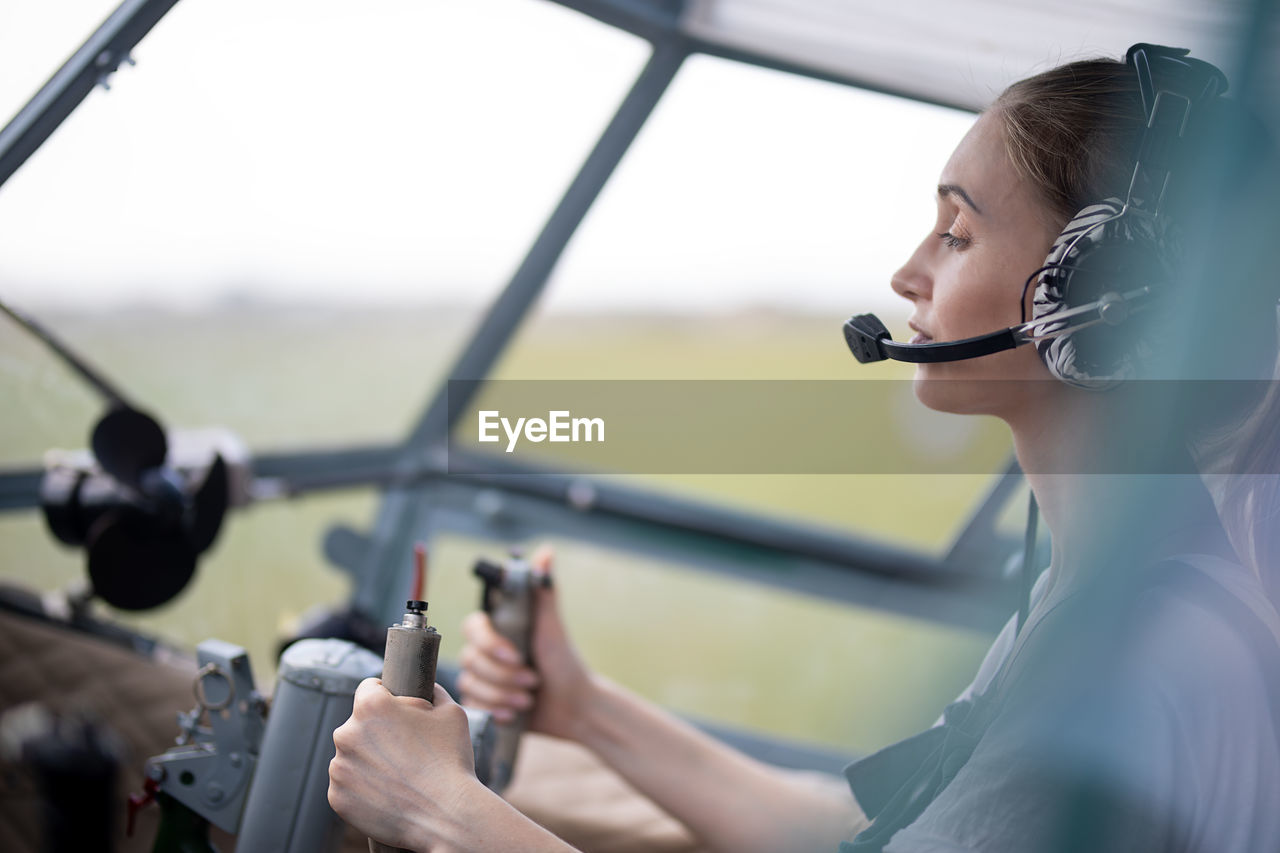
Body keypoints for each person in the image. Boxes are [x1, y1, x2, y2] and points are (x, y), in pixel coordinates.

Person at [327, 45, 1280, 852]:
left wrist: (443, 810)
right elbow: (859, 827)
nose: (906, 272)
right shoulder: (1103, 588)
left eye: (956, 231)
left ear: (1099, 295)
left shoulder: (1130, 663)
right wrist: (582, 707)